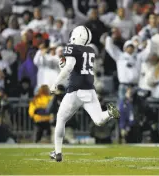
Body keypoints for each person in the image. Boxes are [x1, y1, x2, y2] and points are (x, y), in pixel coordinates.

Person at [49, 26, 120, 162]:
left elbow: (70, 67)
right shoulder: (90, 50)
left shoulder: (71, 48)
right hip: (89, 90)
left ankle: (58, 152)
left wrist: (55, 83)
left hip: (75, 91)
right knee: (99, 119)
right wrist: (63, 66)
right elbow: (77, 66)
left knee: (60, 119)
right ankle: (110, 113)